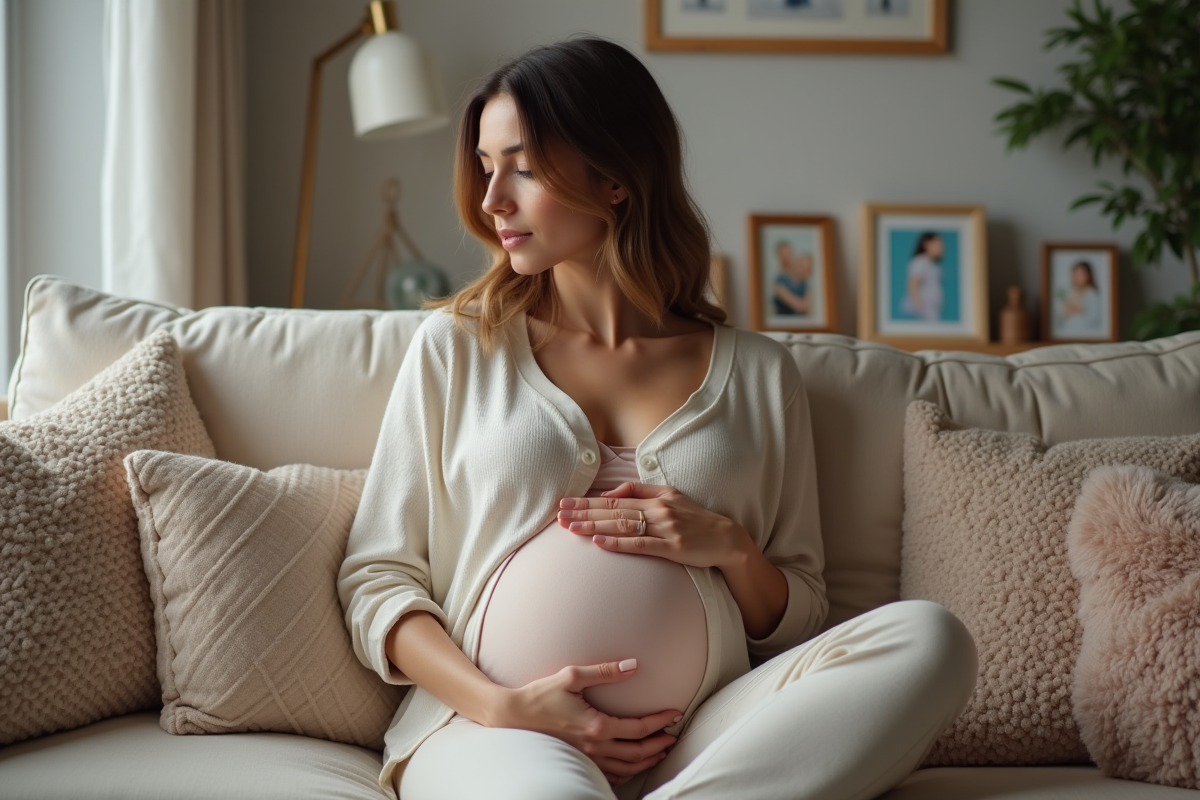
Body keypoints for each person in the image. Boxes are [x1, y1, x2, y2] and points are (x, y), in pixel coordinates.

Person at [338, 38, 977, 800]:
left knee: (932, 639)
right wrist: (500, 705)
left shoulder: (759, 375)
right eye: (486, 166)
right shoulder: (458, 347)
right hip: (499, 731)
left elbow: (801, 608)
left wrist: (730, 548)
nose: (491, 200)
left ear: (613, 177)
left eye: (524, 167)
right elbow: (377, 577)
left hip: (708, 735)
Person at [900, 232, 945, 322]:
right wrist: (921, 309)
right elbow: (913, 285)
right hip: (919, 314)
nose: (941, 248)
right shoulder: (919, 262)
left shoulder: (933, 265)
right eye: (938, 244)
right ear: (926, 244)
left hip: (930, 312)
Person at [1056, 259, 1102, 334]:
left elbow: (1093, 318)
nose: (1077, 277)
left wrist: (1078, 309)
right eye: (1075, 274)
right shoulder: (1071, 291)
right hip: (1068, 332)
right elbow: (1061, 314)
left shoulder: (1091, 293)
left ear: (1088, 275)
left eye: (1081, 274)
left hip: (1085, 333)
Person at [772, 242, 813, 316]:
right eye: (784, 254)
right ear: (779, 256)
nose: (787, 257)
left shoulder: (804, 283)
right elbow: (801, 306)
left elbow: (807, 307)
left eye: (789, 253)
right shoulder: (780, 280)